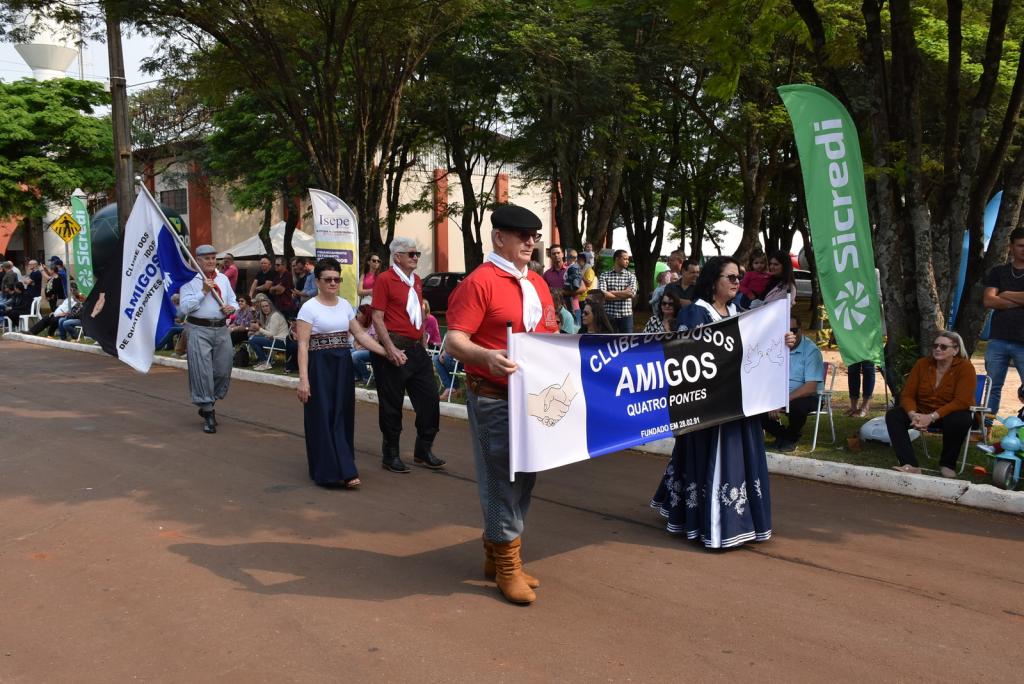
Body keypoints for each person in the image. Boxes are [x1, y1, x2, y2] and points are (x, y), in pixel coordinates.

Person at [445, 204, 560, 604]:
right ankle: (506, 565)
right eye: (522, 235)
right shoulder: (480, 282)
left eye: (535, 236)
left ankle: (498, 554)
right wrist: (485, 356)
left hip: (535, 399)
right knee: (501, 479)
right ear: (499, 238)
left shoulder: (538, 283)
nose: (531, 242)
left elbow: (551, 334)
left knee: (525, 475)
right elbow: (453, 340)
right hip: (495, 397)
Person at [650, 256, 773, 549]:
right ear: (713, 281)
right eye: (730, 277)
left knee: (738, 461)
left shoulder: (740, 313)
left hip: (738, 405)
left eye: (738, 277)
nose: (737, 282)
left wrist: (785, 340)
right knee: (710, 460)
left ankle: (739, 519)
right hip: (709, 408)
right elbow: (685, 358)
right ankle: (710, 522)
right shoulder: (695, 313)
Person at [296, 257, 388, 488]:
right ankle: (328, 472)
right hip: (319, 367)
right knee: (322, 416)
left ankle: (345, 467)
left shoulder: (346, 305)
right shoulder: (308, 308)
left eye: (337, 279)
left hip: (342, 366)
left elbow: (361, 335)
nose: (333, 283)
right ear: (317, 281)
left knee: (341, 415)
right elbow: (303, 345)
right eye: (328, 279)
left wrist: (387, 352)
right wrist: (303, 380)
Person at [370, 236, 446, 473]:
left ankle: (423, 450)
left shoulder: (416, 281)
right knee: (391, 405)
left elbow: (417, 315)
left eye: (417, 254)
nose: (416, 257)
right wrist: (389, 349)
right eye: (411, 254)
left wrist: (422, 340)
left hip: (416, 349)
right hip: (393, 348)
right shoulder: (385, 280)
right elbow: (377, 317)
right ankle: (390, 454)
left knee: (430, 400)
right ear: (397, 257)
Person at [886, 330, 976, 478]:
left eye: (943, 347)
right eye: (935, 346)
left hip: (949, 414)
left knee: (961, 419)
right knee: (893, 416)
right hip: (922, 411)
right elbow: (907, 395)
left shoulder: (965, 368)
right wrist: (913, 414)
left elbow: (962, 401)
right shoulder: (922, 364)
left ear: (955, 350)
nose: (938, 349)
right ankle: (910, 464)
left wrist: (932, 417)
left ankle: (947, 464)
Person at [178, 244, 238, 434]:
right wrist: (203, 291)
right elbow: (185, 308)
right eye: (207, 258)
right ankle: (209, 413)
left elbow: (233, 300)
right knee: (201, 371)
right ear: (197, 260)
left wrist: (232, 308)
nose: (212, 261)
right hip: (198, 328)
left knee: (223, 369)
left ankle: (208, 402)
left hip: (221, 329)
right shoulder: (188, 280)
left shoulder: (223, 279)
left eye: (213, 258)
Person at [760, 316, 824, 451]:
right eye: (784, 331)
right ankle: (787, 436)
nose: (789, 334)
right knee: (754, 406)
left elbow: (810, 387)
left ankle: (789, 437)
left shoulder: (811, 351)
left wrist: (782, 400)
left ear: (801, 330)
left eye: (793, 330)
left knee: (797, 407)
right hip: (780, 394)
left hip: (808, 396)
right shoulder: (775, 348)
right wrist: (772, 399)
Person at [982, 226, 1024, 417]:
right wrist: (1018, 300)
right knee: (993, 386)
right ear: (1011, 248)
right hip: (998, 338)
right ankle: (986, 426)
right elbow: (989, 300)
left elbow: (997, 298)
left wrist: (1005, 294)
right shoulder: (999, 272)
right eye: (1021, 245)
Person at [598, 249, 638, 333]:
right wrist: (624, 294)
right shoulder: (604, 275)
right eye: (625, 259)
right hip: (609, 315)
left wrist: (611, 292)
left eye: (628, 259)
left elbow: (631, 294)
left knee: (627, 342)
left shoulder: (631, 276)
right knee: (608, 342)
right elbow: (603, 295)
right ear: (617, 259)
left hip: (626, 316)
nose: (627, 261)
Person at [247, 294, 290, 370]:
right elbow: (268, 331)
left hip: (281, 341)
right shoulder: (269, 316)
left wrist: (259, 328)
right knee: (252, 337)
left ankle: (265, 362)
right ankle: (266, 360)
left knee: (253, 340)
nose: (265, 308)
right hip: (274, 340)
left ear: (271, 306)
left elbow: (271, 334)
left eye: (267, 306)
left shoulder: (275, 316)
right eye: (263, 307)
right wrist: (256, 332)